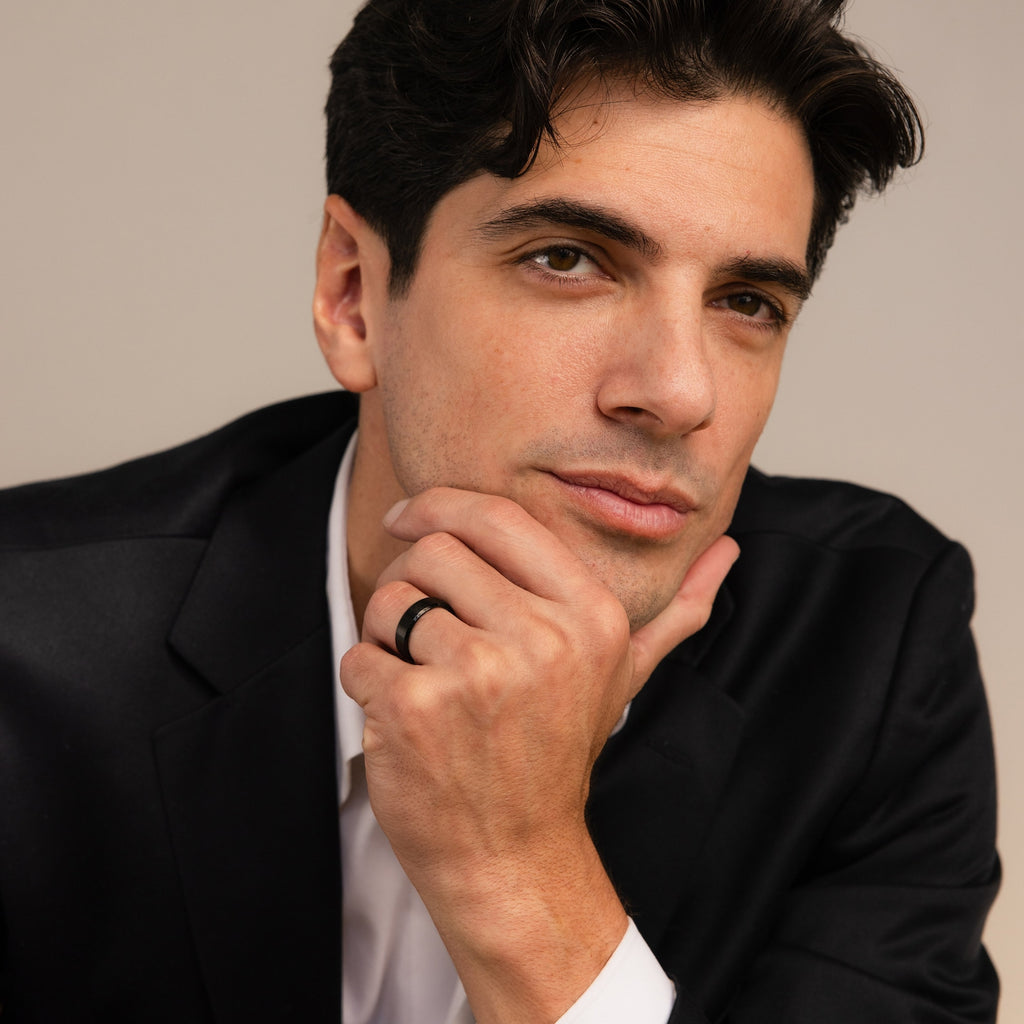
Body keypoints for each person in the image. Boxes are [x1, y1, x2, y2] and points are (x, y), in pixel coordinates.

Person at [0, 0, 999, 1021]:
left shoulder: (866, 650)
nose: (678, 390)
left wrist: (521, 879)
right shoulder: (23, 649)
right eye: (568, 258)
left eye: (746, 301)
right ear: (352, 294)